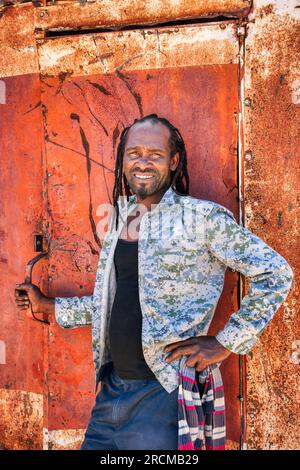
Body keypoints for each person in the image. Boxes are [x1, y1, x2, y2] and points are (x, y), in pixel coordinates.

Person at [15, 114, 294, 450]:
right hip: (110, 393)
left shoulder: (202, 219)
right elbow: (114, 300)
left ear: (174, 161)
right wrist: (49, 305)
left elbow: (276, 272)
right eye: (134, 154)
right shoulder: (121, 218)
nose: (142, 163)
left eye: (155, 154)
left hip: (163, 395)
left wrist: (226, 343)